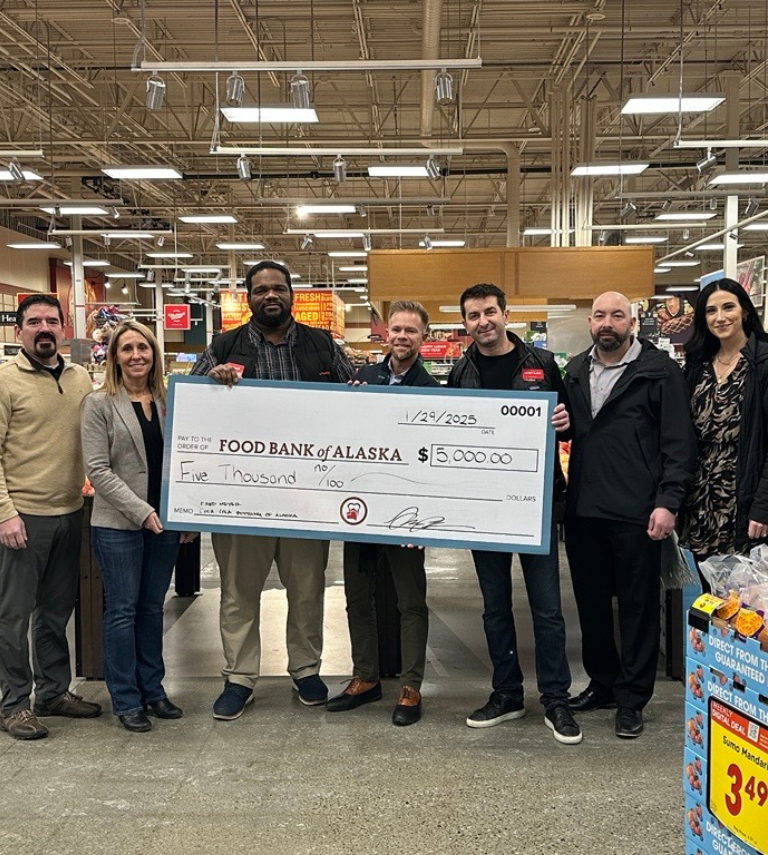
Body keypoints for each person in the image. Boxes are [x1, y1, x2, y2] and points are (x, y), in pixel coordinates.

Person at [190, 260, 355, 720]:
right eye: (260, 289)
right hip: (242, 501)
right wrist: (212, 382)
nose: (270, 296)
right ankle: (239, 677)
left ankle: (305, 669)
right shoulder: (224, 345)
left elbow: (357, 401)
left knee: (307, 589)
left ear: (291, 295)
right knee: (239, 591)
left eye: (278, 288)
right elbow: (193, 411)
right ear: (248, 298)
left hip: (308, 498)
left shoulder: (323, 345)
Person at [447, 283, 582, 745]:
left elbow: (570, 420)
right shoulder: (460, 372)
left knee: (547, 609)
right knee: (494, 608)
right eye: (472, 316)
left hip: (535, 504)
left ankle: (556, 699)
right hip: (484, 507)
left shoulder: (541, 365)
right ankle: (506, 694)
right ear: (465, 322)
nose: (482, 322)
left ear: (505, 314)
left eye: (489, 312)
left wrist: (565, 423)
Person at [563, 291, 697, 738]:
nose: (607, 323)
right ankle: (602, 682)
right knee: (592, 603)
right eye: (599, 315)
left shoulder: (659, 371)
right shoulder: (576, 370)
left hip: (638, 510)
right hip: (584, 508)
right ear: (590, 323)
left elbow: (679, 443)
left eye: (617, 315)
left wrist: (668, 501)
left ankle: (632, 697)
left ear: (632, 322)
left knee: (638, 607)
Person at [327, 301, 437, 726]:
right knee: (357, 595)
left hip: (406, 511)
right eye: (397, 329)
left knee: (411, 601)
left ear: (423, 337)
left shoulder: (432, 389)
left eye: (412, 330)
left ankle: (411, 685)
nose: (402, 336)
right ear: (385, 334)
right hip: (361, 507)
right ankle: (365, 677)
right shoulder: (362, 379)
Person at [82, 321, 195, 733]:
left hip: (163, 525)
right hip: (119, 525)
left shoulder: (170, 400)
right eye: (126, 348)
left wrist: (184, 516)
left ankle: (153, 689)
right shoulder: (99, 404)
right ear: (114, 356)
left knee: (151, 608)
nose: (136, 356)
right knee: (122, 611)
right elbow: (98, 470)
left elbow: (185, 460)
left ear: (154, 354)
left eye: (143, 348)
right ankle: (126, 698)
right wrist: (142, 511)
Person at [0, 294, 101, 740]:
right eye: (34, 321)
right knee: (13, 617)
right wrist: (5, 514)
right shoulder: (4, 380)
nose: (44, 328)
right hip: (22, 516)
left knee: (56, 612)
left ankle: (54, 692)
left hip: (69, 511)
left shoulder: (79, 377)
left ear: (64, 328)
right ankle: (14, 703)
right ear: (18, 330)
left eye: (52, 321)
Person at [681, 278, 768, 560]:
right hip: (700, 500)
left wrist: (763, 506)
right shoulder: (697, 365)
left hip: (743, 498)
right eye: (710, 311)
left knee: (746, 595)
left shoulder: (762, 363)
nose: (719, 317)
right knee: (709, 593)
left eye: (728, 307)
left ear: (744, 310)